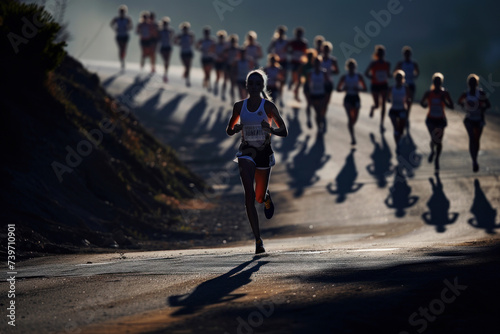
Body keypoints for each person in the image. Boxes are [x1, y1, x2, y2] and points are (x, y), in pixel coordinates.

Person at [226, 69, 288, 254]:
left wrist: (270, 130)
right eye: (250, 83)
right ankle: (258, 240)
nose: (253, 87)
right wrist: (235, 129)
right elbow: (229, 130)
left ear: (262, 86)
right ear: (246, 86)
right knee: (249, 195)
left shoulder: (268, 107)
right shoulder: (239, 106)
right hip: (246, 152)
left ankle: (266, 197)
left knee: (259, 197)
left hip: (263, 152)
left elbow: (283, 130)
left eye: (257, 84)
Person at [420, 73, 454, 171]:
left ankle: (437, 159)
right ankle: (432, 151)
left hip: (441, 119)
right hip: (431, 119)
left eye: (439, 82)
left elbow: (452, 106)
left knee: (438, 141)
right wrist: (425, 104)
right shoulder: (428, 93)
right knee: (434, 138)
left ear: (441, 83)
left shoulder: (445, 93)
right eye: (436, 82)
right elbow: (422, 103)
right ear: (433, 82)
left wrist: (445, 101)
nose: (437, 84)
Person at [457, 74, 491, 172]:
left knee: (476, 140)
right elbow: (459, 102)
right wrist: (464, 106)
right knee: (472, 139)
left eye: (473, 83)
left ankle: (475, 158)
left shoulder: (480, 93)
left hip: (479, 119)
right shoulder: (465, 94)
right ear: (468, 84)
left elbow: (488, 105)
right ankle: (474, 161)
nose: (472, 85)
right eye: (470, 83)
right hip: (469, 119)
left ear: (476, 84)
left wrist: (481, 108)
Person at [337, 58, 367, 145]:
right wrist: (343, 89)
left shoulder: (359, 76)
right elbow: (338, 89)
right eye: (350, 67)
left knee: (355, 118)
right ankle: (353, 138)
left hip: (356, 98)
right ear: (347, 67)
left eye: (353, 67)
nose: (351, 69)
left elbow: (365, 88)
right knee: (350, 118)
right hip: (348, 98)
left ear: (355, 67)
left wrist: (358, 88)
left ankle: (351, 128)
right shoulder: (344, 77)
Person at [365, 45, 391, 130]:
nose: (380, 55)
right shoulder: (373, 64)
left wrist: (393, 76)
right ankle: (373, 108)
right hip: (375, 85)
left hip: (383, 85)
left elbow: (388, 74)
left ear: (384, 54)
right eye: (379, 53)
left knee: (383, 103)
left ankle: (381, 123)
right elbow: (366, 73)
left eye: (382, 53)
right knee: (377, 105)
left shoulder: (387, 64)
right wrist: (372, 77)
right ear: (377, 54)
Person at [394, 46, 420, 126]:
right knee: (402, 101)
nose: (407, 55)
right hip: (402, 85)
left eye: (408, 54)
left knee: (409, 101)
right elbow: (395, 71)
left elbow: (417, 72)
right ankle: (402, 115)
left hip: (411, 84)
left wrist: (413, 76)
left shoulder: (414, 63)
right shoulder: (401, 63)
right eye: (406, 54)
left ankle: (406, 116)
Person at [387, 70, 411, 151]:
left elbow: (408, 99)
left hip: (402, 110)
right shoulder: (391, 88)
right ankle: (397, 145)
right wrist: (389, 99)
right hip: (393, 110)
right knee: (396, 128)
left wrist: (407, 110)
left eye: (400, 78)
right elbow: (387, 98)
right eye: (397, 78)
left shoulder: (405, 88)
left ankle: (398, 140)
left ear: (402, 79)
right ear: (395, 78)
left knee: (401, 130)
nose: (398, 79)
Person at [308, 55, 330, 133]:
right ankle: (319, 126)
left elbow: (327, 83)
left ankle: (320, 124)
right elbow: (308, 84)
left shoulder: (323, 73)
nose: (317, 65)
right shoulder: (311, 73)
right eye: (316, 63)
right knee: (317, 111)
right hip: (314, 94)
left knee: (320, 111)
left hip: (321, 94)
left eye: (318, 63)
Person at [267, 25, 288, 107]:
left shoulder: (286, 41)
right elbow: (269, 49)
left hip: (283, 62)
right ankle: (277, 95)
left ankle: (280, 95)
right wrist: (273, 56)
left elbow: (290, 50)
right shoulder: (275, 41)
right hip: (275, 61)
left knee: (282, 80)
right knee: (275, 78)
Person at [110, 5, 133, 70]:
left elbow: (131, 26)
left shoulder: (127, 19)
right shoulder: (116, 19)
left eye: (123, 12)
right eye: (121, 12)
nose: (122, 13)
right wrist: (115, 28)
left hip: (125, 36)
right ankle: (122, 60)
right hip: (119, 35)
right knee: (121, 49)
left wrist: (127, 28)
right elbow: (111, 24)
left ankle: (123, 59)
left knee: (124, 48)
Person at [320, 41, 339, 118]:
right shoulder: (319, 59)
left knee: (326, 101)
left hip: (329, 82)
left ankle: (323, 114)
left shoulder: (333, 60)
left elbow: (337, 71)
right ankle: (320, 113)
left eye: (327, 50)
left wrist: (330, 71)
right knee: (321, 100)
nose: (326, 51)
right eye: (325, 49)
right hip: (319, 83)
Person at [287, 27, 308, 94]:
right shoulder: (292, 42)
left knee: (299, 79)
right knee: (294, 78)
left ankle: (296, 92)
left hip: (300, 63)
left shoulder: (304, 43)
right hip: (293, 62)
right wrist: (291, 52)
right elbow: (287, 50)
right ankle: (291, 85)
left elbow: (305, 52)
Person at [196, 26, 216, 91]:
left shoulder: (212, 40)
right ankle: (206, 81)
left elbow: (215, 47)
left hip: (210, 57)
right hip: (204, 58)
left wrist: (211, 51)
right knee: (206, 72)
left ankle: (208, 84)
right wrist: (200, 49)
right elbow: (196, 46)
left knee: (209, 71)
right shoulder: (202, 40)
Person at [175, 22, 195, 87]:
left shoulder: (190, 35)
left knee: (188, 66)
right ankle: (186, 75)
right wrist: (179, 44)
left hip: (188, 52)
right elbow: (174, 41)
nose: (185, 30)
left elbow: (192, 42)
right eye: (184, 29)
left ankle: (188, 80)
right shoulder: (180, 36)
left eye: (186, 29)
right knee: (186, 66)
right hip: (183, 52)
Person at [225, 34, 240, 103]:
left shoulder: (238, 49)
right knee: (232, 83)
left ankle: (235, 96)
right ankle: (232, 98)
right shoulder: (228, 49)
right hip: (229, 66)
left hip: (236, 67)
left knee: (235, 83)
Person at [158, 16, 174, 83]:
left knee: (167, 61)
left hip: (168, 47)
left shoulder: (170, 30)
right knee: (165, 60)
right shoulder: (160, 31)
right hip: (163, 47)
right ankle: (165, 73)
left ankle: (165, 74)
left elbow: (172, 38)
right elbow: (158, 39)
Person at [213, 30, 228, 98]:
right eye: (220, 37)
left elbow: (227, 54)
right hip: (218, 62)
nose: (221, 39)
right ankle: (216, 86)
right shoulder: (216, 45)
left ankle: (223, 92)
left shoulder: (226, 45)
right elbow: (214, 53)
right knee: (218, 77)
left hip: (224, 62)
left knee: (225, 78)